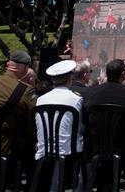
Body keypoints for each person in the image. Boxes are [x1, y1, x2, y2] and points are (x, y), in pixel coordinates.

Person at [34, 59, 85, 190]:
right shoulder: (77, 99)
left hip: (44, 148)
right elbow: (80, 127)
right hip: (69, 148)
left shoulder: (40, 100)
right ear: (70, 78)